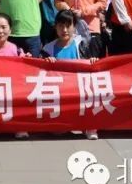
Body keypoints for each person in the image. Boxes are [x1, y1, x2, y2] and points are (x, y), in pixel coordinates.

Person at [41, 10, 98, 140]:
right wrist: (47, 62)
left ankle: (89, 126)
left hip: (79, 86)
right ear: (55, 27)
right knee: (57, 132)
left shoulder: (82, 44)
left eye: (68, 26)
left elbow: (90, 65)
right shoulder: (47, 49)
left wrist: (93, 61)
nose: (65, 30)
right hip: (58, 89)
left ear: (74, 26)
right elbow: (41, 73)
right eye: (61, 26)